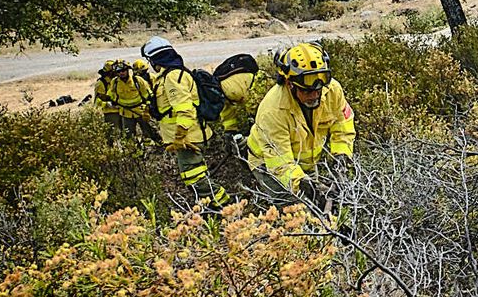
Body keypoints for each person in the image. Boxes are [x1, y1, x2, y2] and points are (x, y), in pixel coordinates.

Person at [246, 42, 356, 208]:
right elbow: (281, 165)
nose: (314, 95)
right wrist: (305, 185)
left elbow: (343, 125)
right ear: (290, 84)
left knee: (321, 204)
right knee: (292, 207)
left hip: (306, 159)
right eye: (306, 91)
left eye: (318, 90)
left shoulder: (333, 90)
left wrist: (341, 156)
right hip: (267, 162)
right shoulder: (273, 111)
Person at [143, 37, 225, 204]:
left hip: (189, 138)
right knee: (196, 177)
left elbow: (184, 109)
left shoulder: (173, 77)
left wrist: (180, 136)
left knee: (195, 179)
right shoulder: (170, 75)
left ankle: (226, 207)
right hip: (189, 136)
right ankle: (210, 208)